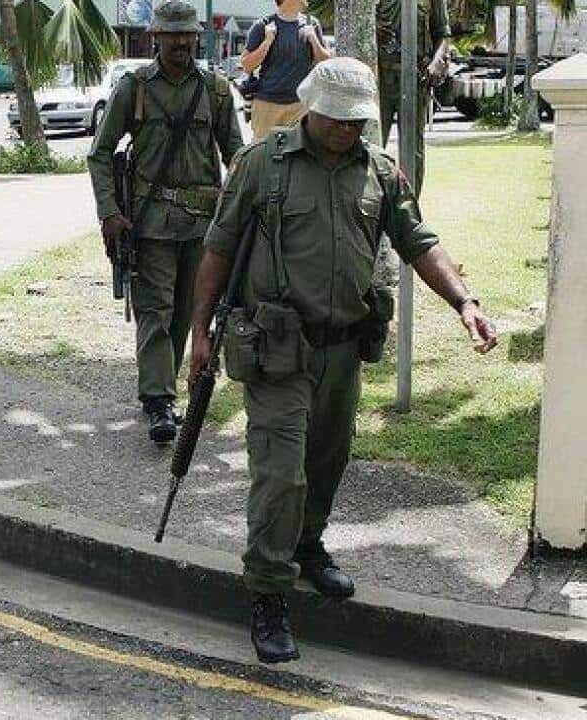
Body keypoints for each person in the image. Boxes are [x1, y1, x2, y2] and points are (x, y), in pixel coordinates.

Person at [188, 57, 497, 664]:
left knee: (326, 462)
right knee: (280, 473)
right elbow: (219, 248)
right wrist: (199, 332)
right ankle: (269, 593)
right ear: (313, 106)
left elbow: (419, 242)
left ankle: (307, 547)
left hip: (342, 348)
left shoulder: (380, 171)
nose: (350, 130)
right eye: (341, 120)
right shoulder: (262, 165)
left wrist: (465, 303)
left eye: (360, 121)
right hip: (276, 349)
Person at [87, 0, 243, 444]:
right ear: (155, 38)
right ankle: (158, 401)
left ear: (197, 36)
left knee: (189, 315)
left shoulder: (215, 90)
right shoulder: (134, 88)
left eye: (187, 34)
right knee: (155, 313)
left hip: (203, 228)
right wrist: (110, 213)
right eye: (171, 34)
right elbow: (100, 154)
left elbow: (236, 155)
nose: (180, 41)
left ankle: (167, 390)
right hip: (150, 225)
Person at [377, 0, 451, 188]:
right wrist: (372, 28)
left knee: (413, 150)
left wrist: (436, 62)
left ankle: (410, 207)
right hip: (379, 79)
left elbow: (442, 33)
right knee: (373, 145)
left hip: (415, 80)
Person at [240, 0, 332, 139]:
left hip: (300, 106)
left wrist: (314, 40)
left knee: (300, 158)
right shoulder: (263, 25)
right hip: (267, 105)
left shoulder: (311, 24)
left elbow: (326, 63)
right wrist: (267, 41)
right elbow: (247, 65)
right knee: (264, 156)